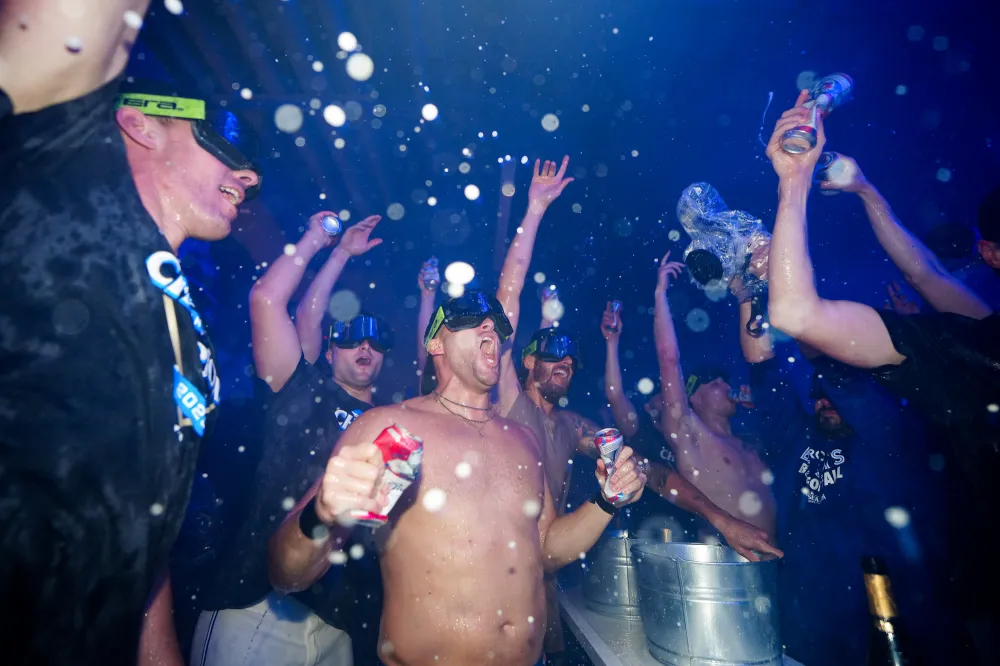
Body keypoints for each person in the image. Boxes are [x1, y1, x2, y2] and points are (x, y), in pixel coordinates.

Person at [0, 2, 261, 659]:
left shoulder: (187, 319)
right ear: (137, 122)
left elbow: (147, 528)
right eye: (221, 138)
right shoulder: (55, 191)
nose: (250, 174)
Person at [493, 158, 781, 664]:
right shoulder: (511, 403)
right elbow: (507, 306)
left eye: (569, 358)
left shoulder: (576, 427)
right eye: (550, 354)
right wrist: (535, 208)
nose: (563, 362)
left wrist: (719, 518)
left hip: (544, 581)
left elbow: (649, 471)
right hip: (491, 576)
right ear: (527, 361)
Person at [267, 291, 648, 666]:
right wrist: (322, 513)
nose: (491, 327)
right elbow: (287, 573)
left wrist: (606, 501)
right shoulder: (387, 426)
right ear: (435, 343)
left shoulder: (523, 440)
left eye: (498, 324)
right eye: (469, 318)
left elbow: (547, 549)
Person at [764, 92, 1000, 661]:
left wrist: (867, 189)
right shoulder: (972, 351)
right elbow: (800, 313)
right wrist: (794, 179)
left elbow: (927, 274)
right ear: (992, 254)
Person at [188, 213, 389, 666]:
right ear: (331, 347)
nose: (366, 348)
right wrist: (327, 243)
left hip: (342, 620)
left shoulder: (389, 423)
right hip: (256, 603)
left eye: (378, 343)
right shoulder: (298, 387)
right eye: (353, 338)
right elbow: (268, 300)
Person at [738, 256, 951, 664]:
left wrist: (791, 301)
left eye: (833, 394)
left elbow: (842, 376)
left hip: (888, 627)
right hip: (805, 630)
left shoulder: (889, 434)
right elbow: (761, 369)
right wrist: (746, 293)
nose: (824, 401)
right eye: (817, 395)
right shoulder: (794, 440)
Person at [651, 252, 778, 541]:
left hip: (776, 569)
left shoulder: (750, 441)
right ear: (692, 398)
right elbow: (668, 359)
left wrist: (761, 405)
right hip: (724, 572)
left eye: (724, 379)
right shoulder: (690, 435)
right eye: (712, 382)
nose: (723, 383)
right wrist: (660, 294)